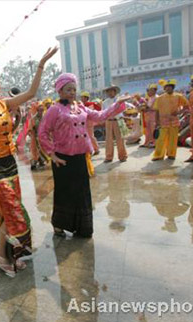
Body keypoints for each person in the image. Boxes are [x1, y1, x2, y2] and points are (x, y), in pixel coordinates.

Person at [0, 45, 58, 277]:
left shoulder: (4, 104)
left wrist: (41, 65)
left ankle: (4, 254)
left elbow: (30, 93)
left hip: (10, 164)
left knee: (8, 212)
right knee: (15, 212)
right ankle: (2, 253)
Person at [38, 73, 130, 238]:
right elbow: (42, 133)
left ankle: (82, 228)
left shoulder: (80, 107)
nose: (72, 92)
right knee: (64, 193)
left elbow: (100, 116)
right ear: (60, 91)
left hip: (80, 156)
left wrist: (118, 104)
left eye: (74, 89)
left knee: (82, 193)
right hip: (62, 158)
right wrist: (52, 154)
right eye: (68, 89)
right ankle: (59, 224)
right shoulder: (54, 109)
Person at [152, 79, 189, 161]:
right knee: (160, 139)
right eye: (166, 87)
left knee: (173, 139)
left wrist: (179, 112)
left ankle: (171, 154)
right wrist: (156, 122)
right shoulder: (160, 98)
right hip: (163, 122)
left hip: (174, 122)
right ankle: (158, 155)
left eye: (170, 87)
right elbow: (156, 111)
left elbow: (187, 105)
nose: (168, 88)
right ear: (164, 88)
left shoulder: (178, 96)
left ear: (173, 88)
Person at [102, 84, 127, 162]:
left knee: (120, 139)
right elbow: (103, 112)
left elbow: (124, 110)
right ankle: (109, 157)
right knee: (108, 140)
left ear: (115, 92)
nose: (110, 93)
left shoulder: (120, 100)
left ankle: (122, 156)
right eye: (108, 91)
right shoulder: (105, 102)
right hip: (109, 121)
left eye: (111, 91)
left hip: (118, 120)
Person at [28, 102, 47, 170]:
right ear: (37, 110)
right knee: (35, 150)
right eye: (40, 110)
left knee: (43, 150)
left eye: (42, 110)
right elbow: (30, 129)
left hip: (44, 137)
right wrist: (35, 136)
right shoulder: (33, 119)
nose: (41, 111)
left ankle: (41, 161)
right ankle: (35, 162)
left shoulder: (45, 117)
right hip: (35, 137)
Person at [139, 84, 158, 148]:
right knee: (148, 130)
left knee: (153, 130)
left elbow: (156, 108)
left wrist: (146, 108)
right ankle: (147, 142)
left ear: (154, 91)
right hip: (148, 116)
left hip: (154, 116)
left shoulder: (157, 97)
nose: (148, 92)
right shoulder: (150, 98)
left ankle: (155, 143)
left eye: (150, 91)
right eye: (148, 91)